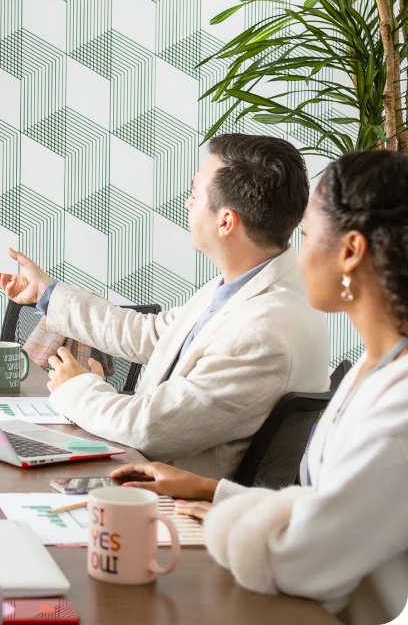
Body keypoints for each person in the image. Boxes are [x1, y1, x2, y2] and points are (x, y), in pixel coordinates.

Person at [111, 150, 408, 625]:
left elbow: (304, 561)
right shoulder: (370, 372)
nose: (297, 254)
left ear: (350, 251)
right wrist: (213, 491)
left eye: (307, 235)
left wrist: (224, 522)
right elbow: (327, 509)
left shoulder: (400, 411)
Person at [0, 134, 329, 478]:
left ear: (225, 222)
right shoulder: (244, 285)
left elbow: (146, 428)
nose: (187, 204)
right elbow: (149, 334)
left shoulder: (263, 331)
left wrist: (76, 386)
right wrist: (46, 292)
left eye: (194, 195)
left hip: (178, 507)